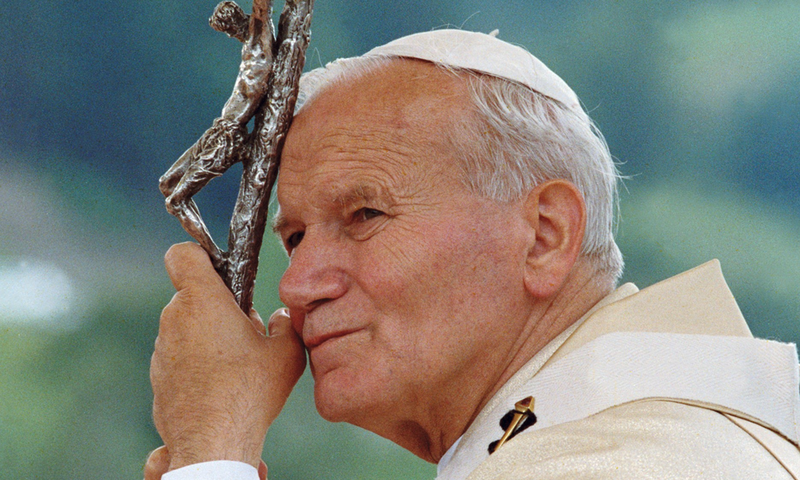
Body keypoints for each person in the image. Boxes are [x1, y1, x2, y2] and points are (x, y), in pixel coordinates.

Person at [147, 30, 800, 479]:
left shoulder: (624, 464)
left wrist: (212, 448)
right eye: (294, 238)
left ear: (544, 236)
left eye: (365, 215)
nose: (297, 287)